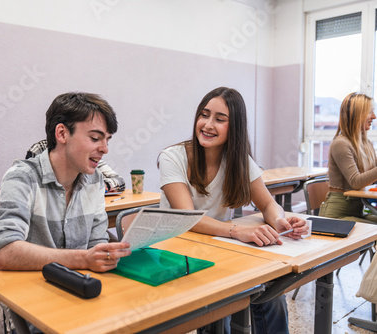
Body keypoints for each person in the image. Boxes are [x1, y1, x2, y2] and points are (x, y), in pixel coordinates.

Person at [158, 87, 308, 334]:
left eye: (220, 119)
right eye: (204, 115)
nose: (207, 124)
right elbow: (187, 218)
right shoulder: (172, 157)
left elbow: (268, 204)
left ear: (235, 127)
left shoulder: (238, 161)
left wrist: (281, 220)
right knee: (220, 310)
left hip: (220, 247)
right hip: (177, 250)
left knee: (273, 295)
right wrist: (237, 231)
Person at [0, 92, 131, 274]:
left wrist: (104, 257)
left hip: (78, 287)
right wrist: (83, 259)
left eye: (107, 140)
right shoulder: (22, 177)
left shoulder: (95, 180)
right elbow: (5, 252)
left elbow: (97, 244)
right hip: (29, 294)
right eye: (95, 138)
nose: (105, 149)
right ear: (62, 133)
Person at [319, 92, 377, 223]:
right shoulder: (341, 143)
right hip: (337, 216)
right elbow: (356, 182)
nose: (374, 116)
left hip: (357, 211)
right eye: (369, 112)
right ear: (357, 115)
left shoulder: (366, 144)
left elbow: (372, 175)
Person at [26, 139, 125, 192]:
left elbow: (119, 180)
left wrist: (102, 186)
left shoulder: (88, 156)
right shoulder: (39, 150)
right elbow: (32, 186)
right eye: (94, 138)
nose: (105, 150)